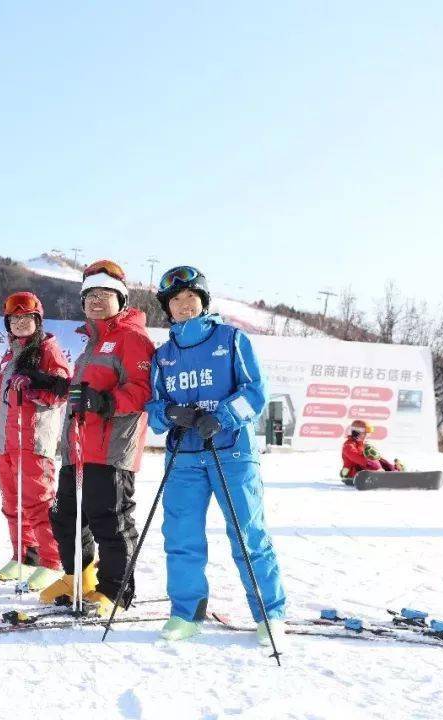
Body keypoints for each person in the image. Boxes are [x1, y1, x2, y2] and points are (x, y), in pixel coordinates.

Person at [145, 265, 286, 645]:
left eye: (191, 297)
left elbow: (255, 391)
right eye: (176, 300)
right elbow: (154, 409)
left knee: (247, 535)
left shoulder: (232, 339)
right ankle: (186, 613)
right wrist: (172, 414)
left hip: (232, 454)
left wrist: (222, 416)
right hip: (184, 459)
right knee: (181, 536)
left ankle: (269, 616)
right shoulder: (163, 356)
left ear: (203, 301)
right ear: (168, 308)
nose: (185, 305)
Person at [40, 260, 154, 616]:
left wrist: (104, 401)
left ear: (121, 299)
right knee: (66, 517)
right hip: (77, 449)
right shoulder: (91, 342)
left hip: (111, 448)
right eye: (90, 295)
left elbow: (143, 390)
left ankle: (116, 591)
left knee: (110, 520)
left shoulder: (132, 338)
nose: (96, 301)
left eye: (105, 295)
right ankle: (80, 578)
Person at [0, 291, 70, 590]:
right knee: (11, 504)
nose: (20, 323)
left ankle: (51, 562)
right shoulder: (10, 354)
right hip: (5, 443)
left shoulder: (48, 349)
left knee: (38, 502)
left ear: (37, 320)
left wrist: (36, 386)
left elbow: (61, 390)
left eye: (27, 318)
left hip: (33, 440)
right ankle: (24, 556)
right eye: (15, 318)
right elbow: (4, 402)